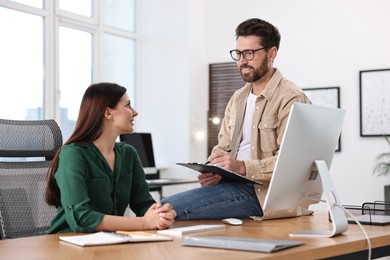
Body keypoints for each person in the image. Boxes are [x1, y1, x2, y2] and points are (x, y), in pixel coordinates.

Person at [161, 18, 311, 220]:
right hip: (232, 184)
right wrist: (214, 169)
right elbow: (222, 147)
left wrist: (241, 167)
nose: (242, 61)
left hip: (263, 194)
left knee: (168, 208)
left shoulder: (292, 98)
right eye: (238, 53)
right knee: (163, 208)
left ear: (272, 53)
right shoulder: (238, 98)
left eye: (249, 53)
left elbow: (292, 165)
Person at [45, 82, 176, 233]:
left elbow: (143, 204)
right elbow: (81, 217)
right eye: (127, 105)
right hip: (67, 244)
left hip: (108, 242)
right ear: (108, 113)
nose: (135, 112)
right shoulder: (73, 155)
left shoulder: (128, 153)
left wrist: (160, 215)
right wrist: (144, 223)